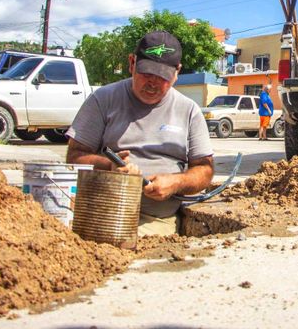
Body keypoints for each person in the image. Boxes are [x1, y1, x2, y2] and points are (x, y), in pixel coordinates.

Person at [66, 31, 214, 236]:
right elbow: (74, 157)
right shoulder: (103, 99)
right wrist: (108, 166)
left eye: (161, 77)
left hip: (153, 221)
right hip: (101, 211)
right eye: (146, 73)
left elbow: (204, 170)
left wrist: (175, 182)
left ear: (177, 72)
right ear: (132, 62)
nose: (152, 83)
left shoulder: (188, 110)